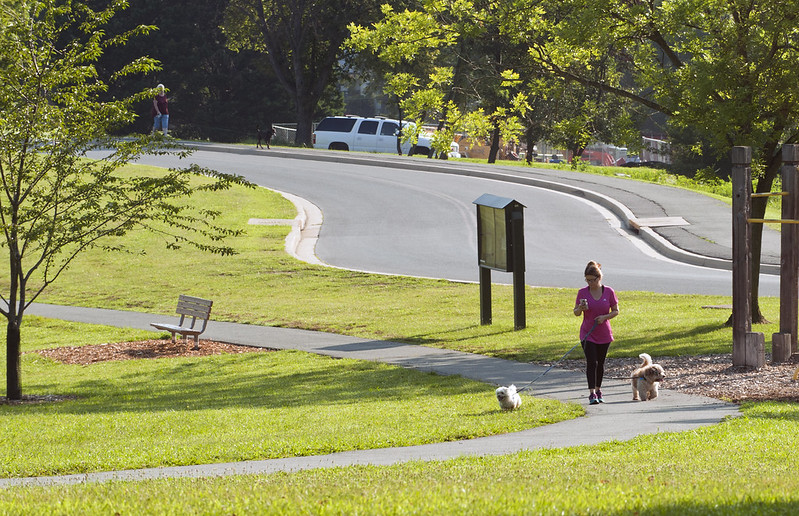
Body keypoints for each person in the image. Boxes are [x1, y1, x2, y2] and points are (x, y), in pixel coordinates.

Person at [573, 261, 619, 405]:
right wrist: (580, 308)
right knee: (591, 362)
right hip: (588, 333)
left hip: (604, 333)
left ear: (599, 278)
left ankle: (599, 390)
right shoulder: (582, 292)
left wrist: (605, 317)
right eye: (587, 280)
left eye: (592, 280)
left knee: (600, 363)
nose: (590, 283)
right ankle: (592, 393)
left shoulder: (609, 291)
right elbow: (576, 313)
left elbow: (616, 311)